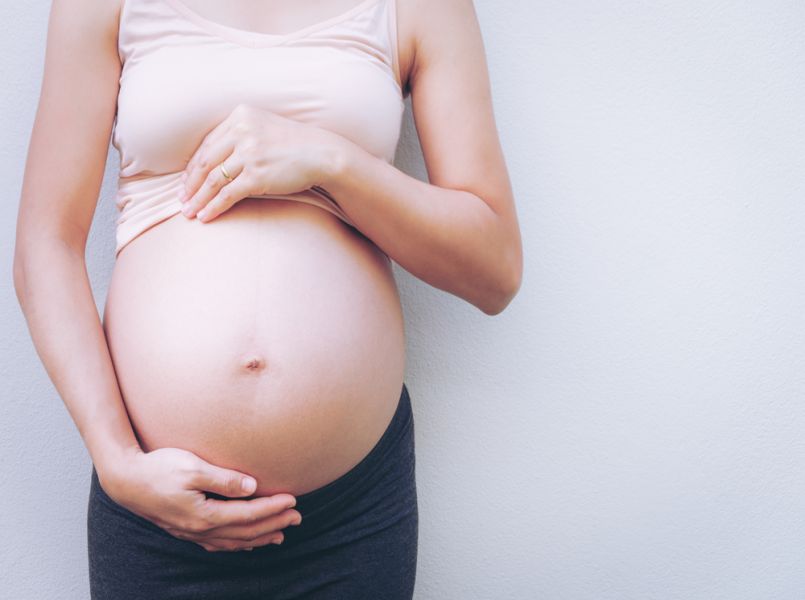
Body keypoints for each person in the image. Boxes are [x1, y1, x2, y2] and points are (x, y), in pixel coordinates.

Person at [12, 0, 523, 597]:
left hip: (348, 518)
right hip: (157, 509)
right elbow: (44, 244)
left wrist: (331, 162)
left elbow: (495, 268)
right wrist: (117, 462)